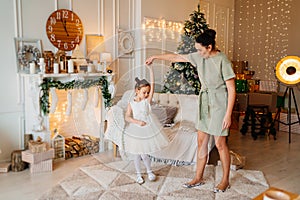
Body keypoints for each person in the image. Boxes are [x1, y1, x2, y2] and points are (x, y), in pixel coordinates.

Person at [145, 29, 236, 193]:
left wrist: (228, 114)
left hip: (220, 104)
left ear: (209, 47)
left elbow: (231, 90)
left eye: (201, 49)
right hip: (204, 103)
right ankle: (198, 177)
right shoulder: (199, 56)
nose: (198, 53)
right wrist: (155, 57)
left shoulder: (223, 61)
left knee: (220, 144)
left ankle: (225, 180)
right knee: (201, 142)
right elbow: (176, 57)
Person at [123, 65, 170, 184]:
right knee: (137, 155)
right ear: (137, 91)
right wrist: (137, 122)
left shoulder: (146, 101)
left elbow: (153, 86)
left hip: (147, 127)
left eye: (148, 92)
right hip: (136, 128)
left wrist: (150, 70)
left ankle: (149, 171)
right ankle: (139, 174)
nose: (146, 94)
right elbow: (127, 117)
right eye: (144, 92)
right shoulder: (131, 104)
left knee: (144, 154)